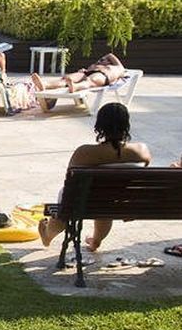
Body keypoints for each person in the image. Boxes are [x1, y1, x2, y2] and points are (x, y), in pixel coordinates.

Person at [38, 102, 152, 252]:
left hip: (82, 203)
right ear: (126, 124)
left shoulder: (84, 152)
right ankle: (96, 240)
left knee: (68, 203)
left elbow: (70, 179)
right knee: (105, 200)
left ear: (100, 125)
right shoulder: (141, 150)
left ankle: (47, 235)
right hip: (117, 204)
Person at [31, 53, 126, 108]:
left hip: (102, 75)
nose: (99, 61)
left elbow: (110, 55)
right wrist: (88, 68)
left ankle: (75, 86)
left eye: (102, 60)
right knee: (66, 79)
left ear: (109, 61)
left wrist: (104, 60)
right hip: (86, 72)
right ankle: (45, 85)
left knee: (89, 81)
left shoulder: (117, 67)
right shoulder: (97, 65)